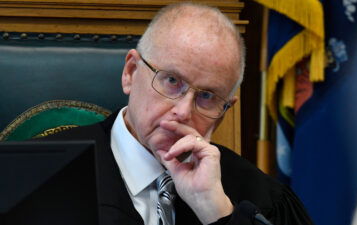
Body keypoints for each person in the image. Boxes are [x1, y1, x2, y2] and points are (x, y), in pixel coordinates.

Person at [41, 2, 313, 225]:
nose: (183, 111)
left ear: (224, 111)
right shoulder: (42, 180)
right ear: (130, 73)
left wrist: (216, 212)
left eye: (207, 96)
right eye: (171, 81)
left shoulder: (261, 199)